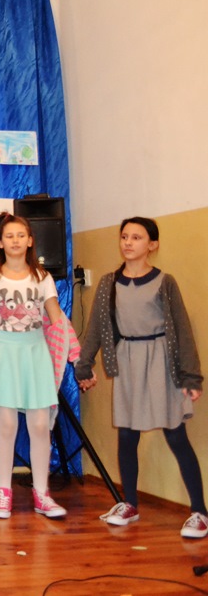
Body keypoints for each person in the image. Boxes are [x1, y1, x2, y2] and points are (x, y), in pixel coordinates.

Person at [74, 217, 205, 538]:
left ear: (152, 245)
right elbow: (96, 328)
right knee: (127, 435)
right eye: (124, 236)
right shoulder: (108, 283)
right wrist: (83, 365)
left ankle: (199, 512)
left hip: (161, 361)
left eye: (136, 237)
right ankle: (129, 503)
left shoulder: (165, 282)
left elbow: (182, 329)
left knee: (176, 435)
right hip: (128, 361)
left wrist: (191, 377)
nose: (128, 242)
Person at [0, 212, 77, 520]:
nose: (15, 241)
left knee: (39, 425)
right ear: (0, 242)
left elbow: (58, 320)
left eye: (21, 235)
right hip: (4, 356)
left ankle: (42, 494)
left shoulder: (42, 278)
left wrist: (77, 356)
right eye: (9, 236)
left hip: (35, 355)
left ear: (30, 240)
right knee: (7, 425)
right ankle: (4, 493)